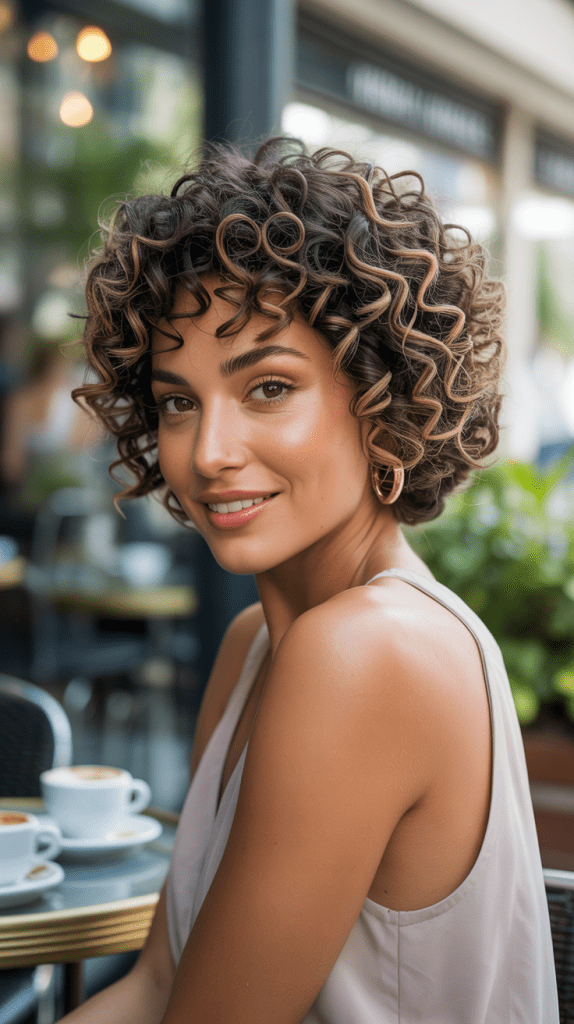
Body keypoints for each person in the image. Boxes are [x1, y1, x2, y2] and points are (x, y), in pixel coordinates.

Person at [61, 138, 558, 1023]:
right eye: (179, 401)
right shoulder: (258, 644)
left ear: (383, 397)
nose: (209, 453)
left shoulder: (365, 654)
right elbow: (158, 987)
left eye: (268, 389)